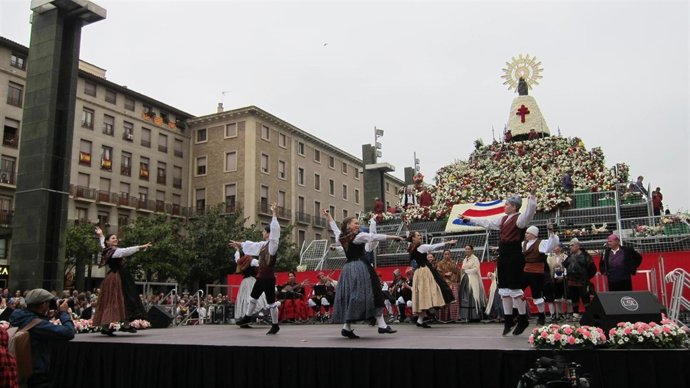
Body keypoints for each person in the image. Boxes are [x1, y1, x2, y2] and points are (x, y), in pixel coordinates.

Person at [459, 187, 537, 336]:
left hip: (514, 255)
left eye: (507, 204)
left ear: (514, 206)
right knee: (504, 290)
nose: (504, 206)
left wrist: (532, 196)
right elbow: (487, 222)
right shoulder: (503, 219)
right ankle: (508, 319)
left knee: (514, 289)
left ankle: (522, 318)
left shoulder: (520, 219)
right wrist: (470, 219)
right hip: (504, 255)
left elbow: (530, 212)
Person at [325, 209, 402, 338]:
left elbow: (335, 228)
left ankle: (347, 327)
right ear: (349, 225)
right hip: (360, 268)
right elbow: (373, 236)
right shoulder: (358, 237)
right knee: (373, 292)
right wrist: (393, 237)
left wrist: (329, 216)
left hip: (348, 269)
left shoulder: (341, 237)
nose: (358, 225)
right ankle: (380, 325)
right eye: (355, 223)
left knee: (352, 296)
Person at [232, 202, 282, 335]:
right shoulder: (264, 244)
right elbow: (253, 245)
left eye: (264, 231)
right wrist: (240, 244)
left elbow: (276, 232)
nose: (262, 232)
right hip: (261, 277)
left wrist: (274, 214)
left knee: (271, 303)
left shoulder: (272, 245)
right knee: (253, 298)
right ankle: (247, 317)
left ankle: (275, 325)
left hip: (268, 278)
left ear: (269, 233)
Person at [9, 288, 75, 387]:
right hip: (37, 377)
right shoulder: (38, 326)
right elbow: (69, 332)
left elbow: (36, 319)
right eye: (49, 303)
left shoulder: (18, 317)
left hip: (18, 371)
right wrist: (63, 313)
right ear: (44, 304)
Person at [94, 227, 151, 336]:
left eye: (116, 238)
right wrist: (141, 246)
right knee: (122, 298)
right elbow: (127, 250)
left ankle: (114, 326)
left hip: (114, 276)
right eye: (113, 238)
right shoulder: (115, 252)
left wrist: (101, 235)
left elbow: (102, 243)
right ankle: (122, 325)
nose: (116, 239)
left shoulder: (107, 250)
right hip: (119, 277)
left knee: (117, 300)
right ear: (108, 241)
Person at [407, 232, 457, 328]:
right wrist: (448, 242)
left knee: (424, 295)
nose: (420, 237)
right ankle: (432, 309)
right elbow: (433, 246)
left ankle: (420, 320)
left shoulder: (411, 248)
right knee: (433, 290)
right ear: (413, 238)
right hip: (425, 271)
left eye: (420, 235)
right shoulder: (421, 247)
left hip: (418, 272)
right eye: (418, 235)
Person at [521, 225, 560, 326]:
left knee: (537, 294)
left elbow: (551, 245)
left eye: (528, 233)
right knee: (517, 290)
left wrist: (551, 233)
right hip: (525, 271)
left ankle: (541, 315)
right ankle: (519, 314)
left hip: (537, 272)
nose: (526, 234)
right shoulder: (523, 243)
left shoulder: (541, 243)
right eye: (526, 233)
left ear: (534, 234)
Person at [562, 238, 595, 320]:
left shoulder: (586, 256)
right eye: (569, 245)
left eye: (572, 245)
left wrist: (586, 277)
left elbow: (592, 269)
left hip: (583, 281)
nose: (570, 247)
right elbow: (565, 265)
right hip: (571, 281)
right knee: (574, 298)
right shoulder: (569, 256)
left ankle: (588, 315)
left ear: (578, 246)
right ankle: (575, 314)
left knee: (585, 298)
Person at [232, 250, 268, 322]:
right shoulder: (250, 260)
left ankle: (245, 317)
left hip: (245, 281)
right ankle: (253, 314)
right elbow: (259, 263)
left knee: (244, 300)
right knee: (256, 298)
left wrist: (237, 249)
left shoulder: (240, 260)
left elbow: (237, 258)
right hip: (251, 281)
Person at [458, 245, 486, 322]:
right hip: (465, 280)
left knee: (473, 296)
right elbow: (463, 268)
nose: (467, 250)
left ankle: (475, 316)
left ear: (472, 250)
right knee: (466, 297)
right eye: (466, 249)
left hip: (473, 280)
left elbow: (476, 269)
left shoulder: (475, 258)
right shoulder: (465, 259)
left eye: (469, 249)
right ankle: (467, 316)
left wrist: (466, 271)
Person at [544, 244, 568, 322]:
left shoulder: (565, 257)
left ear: (560, 248)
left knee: (562, 297)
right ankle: (555, 314)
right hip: (552, 279)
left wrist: (563, 276)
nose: (554, 248)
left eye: (556, 247)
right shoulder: (550, 257)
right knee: (554, 297)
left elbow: (567, 267)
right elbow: (549, 268)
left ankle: (563, 313)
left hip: (562, 279)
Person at [436, 249, 460, 322]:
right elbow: (437, 273)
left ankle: (454, 317)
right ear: (443, 255)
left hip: (453, 283)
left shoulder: (453, 263)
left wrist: (456, 278)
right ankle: (444, 318)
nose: (447, 256)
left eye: (448, 254)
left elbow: (458, 272)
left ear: (450, 255)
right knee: (445, 300)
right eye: (445, 254)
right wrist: (445, 274)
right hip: (444, 284)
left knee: (455, 299)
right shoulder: (439, 263)